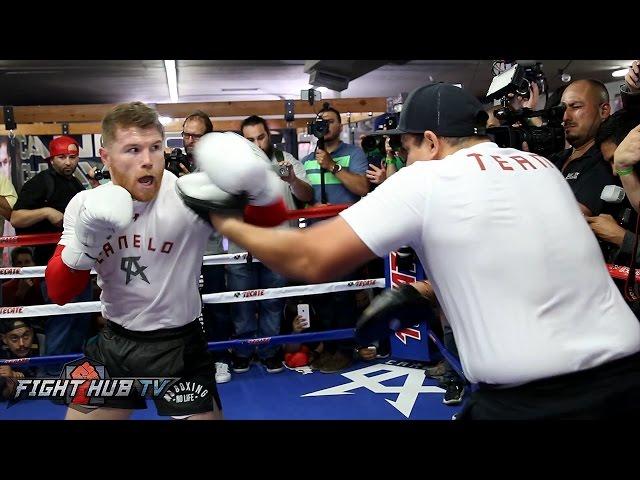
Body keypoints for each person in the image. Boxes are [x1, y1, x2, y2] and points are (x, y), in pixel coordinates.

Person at [184, 83, 640, 420]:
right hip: (626, 377)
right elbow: (527, 252)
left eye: (405, 147)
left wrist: (225, 219)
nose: (402, 159)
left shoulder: (427, 178)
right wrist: (428, 290)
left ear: (432, 141)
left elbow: (308, 259)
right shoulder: (541, 166)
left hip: (538, 401)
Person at [43, 102, 289, 419]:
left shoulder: (189, 196)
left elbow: (270, 220)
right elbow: (60, 293)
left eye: (155, 148)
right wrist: (87, 241)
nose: (147, 161)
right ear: (106, 157)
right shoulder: (86, 204)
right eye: (132, 150)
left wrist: (260, 188)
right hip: (116, 343)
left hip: (180, 346)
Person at [0, 319, 41, 400]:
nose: (21, 344)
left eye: (26, 336)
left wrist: (22, 384)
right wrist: (11, 385)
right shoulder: (1, 355)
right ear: (4, 339)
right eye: (14, 338)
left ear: (32, 333)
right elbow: (4, 396)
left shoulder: (45, 344)